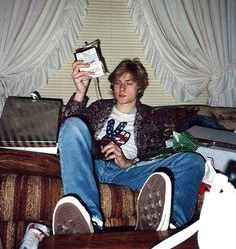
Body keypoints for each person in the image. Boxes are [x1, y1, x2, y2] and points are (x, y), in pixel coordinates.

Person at [52, 58, 205, 234]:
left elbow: (154, 156)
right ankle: (90, 220)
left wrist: (128, 162)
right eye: (117, 83)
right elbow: (67, 133)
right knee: (73, 125)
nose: (121, 88)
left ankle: (171, 225)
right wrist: (80, 91)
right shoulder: (99, 107)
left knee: (193, 161)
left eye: (128, 83)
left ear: (139, 87)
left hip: (126, 173)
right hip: (90, 167)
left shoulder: (151, 117)